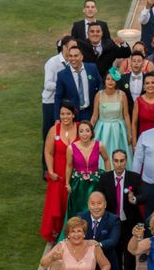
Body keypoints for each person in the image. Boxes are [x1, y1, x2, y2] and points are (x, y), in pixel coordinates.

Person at [98, 150, 146, 270]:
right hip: (113, 226)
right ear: (112, 161)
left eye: (122, 160)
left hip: (129, 227)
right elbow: (99, 199)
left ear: (126, 161)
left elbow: (143, 195)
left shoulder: (134, 177)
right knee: (115, 262)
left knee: (130, 264)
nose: (119, 164)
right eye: (116, 161)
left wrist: (135, 199)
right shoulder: (105, 178)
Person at [41, 100, 78, 242]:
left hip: (75, 173)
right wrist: (50, 171)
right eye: (62, 114)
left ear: (73, 114)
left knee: (72, 201)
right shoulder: (54, 130)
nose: (65, 117)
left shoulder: (80, 128)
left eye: (68, 113)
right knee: (57, 203)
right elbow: (48, 152)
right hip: (58, 173)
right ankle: (57, 230)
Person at [41, 35, 76, 174]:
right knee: (49, 134)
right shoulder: (53, 62)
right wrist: (62, 85)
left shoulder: (74, 62)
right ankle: (46, 168)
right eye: (71, 47)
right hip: (50, 102)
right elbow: (47, 84)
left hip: (66, 104)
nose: (74, 50)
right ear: (64, 48)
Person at [64, 121, 111, 222]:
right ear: (78, 133)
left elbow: (107, 159)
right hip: (78, 185)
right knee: (78, 209)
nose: (84, 134)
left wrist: (108, 176)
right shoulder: (71, 148)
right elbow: (69, 166)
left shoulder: (99, 146)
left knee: (95, 207)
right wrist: (67, 183)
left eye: (87, 131)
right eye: (81, 131)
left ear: (91, 133)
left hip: (95, 183)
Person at [91, 68, 132, 169]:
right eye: (108, 79)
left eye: (113, 79)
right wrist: (89, 130)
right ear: (104, 80)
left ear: (116, 81)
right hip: (102, 129)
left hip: (118, 129)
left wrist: (129, 133)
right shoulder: (99, 95)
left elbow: (126, 115)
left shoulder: (122, 95)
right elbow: (95, 116)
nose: (110, 81)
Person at [54, 45, 103, 122]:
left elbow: (100, 84)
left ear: (82, 57)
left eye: (76, 56)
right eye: (70, 56)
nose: (73, 59)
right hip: (72, 115)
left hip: (90, 112)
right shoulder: (62, 75)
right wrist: (57, 118)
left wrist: (98, 99)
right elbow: (58, 97)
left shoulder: (92, 68)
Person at [132, 72, 154, 145]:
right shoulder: (138, 101)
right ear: (144, 86)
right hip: (142, 139)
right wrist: (134, 143)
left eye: (152, 82)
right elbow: (134, 124)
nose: (150, 85)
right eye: (147, 83)